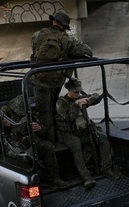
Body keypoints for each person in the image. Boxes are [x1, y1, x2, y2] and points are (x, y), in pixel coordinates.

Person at [0, 95, 72, 190]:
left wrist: (39, 128)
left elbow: (43, 129)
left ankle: (55, 179)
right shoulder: (2, 113)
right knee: (24, 158)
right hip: (12, 144)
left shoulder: (28, 112)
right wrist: (0, 123)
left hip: (29, 140)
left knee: (48, 147)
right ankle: (29, 185)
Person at [30, 12, 93, 143]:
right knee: (54, 110)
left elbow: (34, 53)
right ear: (64, 25)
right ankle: (56, 141)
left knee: (44, 115)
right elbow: (87, 51)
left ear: (53, 21)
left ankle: (51, 143)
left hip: (39, 81)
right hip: (57, 81)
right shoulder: (68, 39)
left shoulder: (37, 35)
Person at [55, 78, 120, 190]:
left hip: (82, 130)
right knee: (76, 146)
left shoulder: (79, 97)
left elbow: (96, 96)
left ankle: (106, 168)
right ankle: (86, 177)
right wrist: (75, 105)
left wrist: (87, 100)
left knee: (103, 139)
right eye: (76, 92)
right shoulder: (61, 102)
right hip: (68, 133)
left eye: (79, 91)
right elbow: (68, 117)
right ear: (69, 90)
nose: (78, 94)